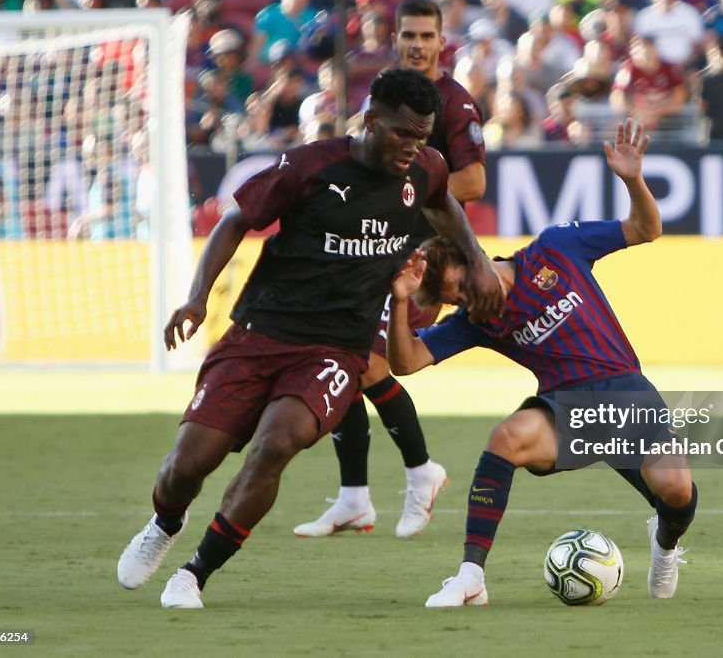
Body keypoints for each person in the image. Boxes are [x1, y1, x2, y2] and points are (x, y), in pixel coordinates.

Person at [116, 68, 504, 609]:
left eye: (422, 136)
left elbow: (443, 204)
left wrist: (478, 259)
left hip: (336, 349)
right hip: (261, 332)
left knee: (276, 443)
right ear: (371, 119)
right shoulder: (308, 167)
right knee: (187, 464)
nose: (413, 148)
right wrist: (198, 296)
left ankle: (194, 573)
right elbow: (235, 221)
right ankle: (164, 523)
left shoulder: (426, 168)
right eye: (403, 133)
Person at [387, 119, 698, 607]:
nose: (466, 301)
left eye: (464, 286)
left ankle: (665, 543)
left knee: (676, 489)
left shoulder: (556, 247)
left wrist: (632, 179)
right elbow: (406, 363)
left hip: (624, 391)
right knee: (506, 438)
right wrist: (401, 301)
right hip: (564, 408)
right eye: (455, 299)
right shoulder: (477, 321)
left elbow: (645, 229)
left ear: (476, 258)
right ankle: (471, 577)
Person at [293, 0, 489, 540]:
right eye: (409, 35)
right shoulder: (387, 94)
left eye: (427, 36)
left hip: (416, 255)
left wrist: (411, 186)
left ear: (442, 41)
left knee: (366, 366)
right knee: (342, 358)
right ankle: (354, 497)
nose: (418, 44)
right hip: (371, 248)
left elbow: (472, 183)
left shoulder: (454, 101)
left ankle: (421, 470)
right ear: (396, 37)